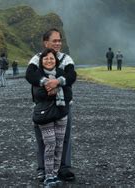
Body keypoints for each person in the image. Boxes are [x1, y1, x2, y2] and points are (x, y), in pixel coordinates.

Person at [26, 28, 77, 182]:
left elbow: (71, 75)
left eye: (59, 40)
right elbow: (30, 74)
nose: (58, 43)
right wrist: (47, 82)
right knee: (44, 139)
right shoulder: (37, 58)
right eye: (54, 40)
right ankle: (42, 169)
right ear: (45, 42)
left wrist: (57, 81)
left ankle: (63, 168)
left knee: (64, 138)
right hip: (43, 106)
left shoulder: (66, 58)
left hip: (63, 106)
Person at [28, 48, 70, 187]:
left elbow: (69, 93)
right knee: (50, 144)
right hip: (45, 114)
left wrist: (54, 86)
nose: (49, 60)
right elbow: (38, 95)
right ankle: (48, 176)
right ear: (41, 61)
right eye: (45, 58)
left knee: (59, 145)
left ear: (56, 61)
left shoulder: (61, 74)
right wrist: (55, 87)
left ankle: (55, 174)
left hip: (61, 113)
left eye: (51, 58)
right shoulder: (37, 75)